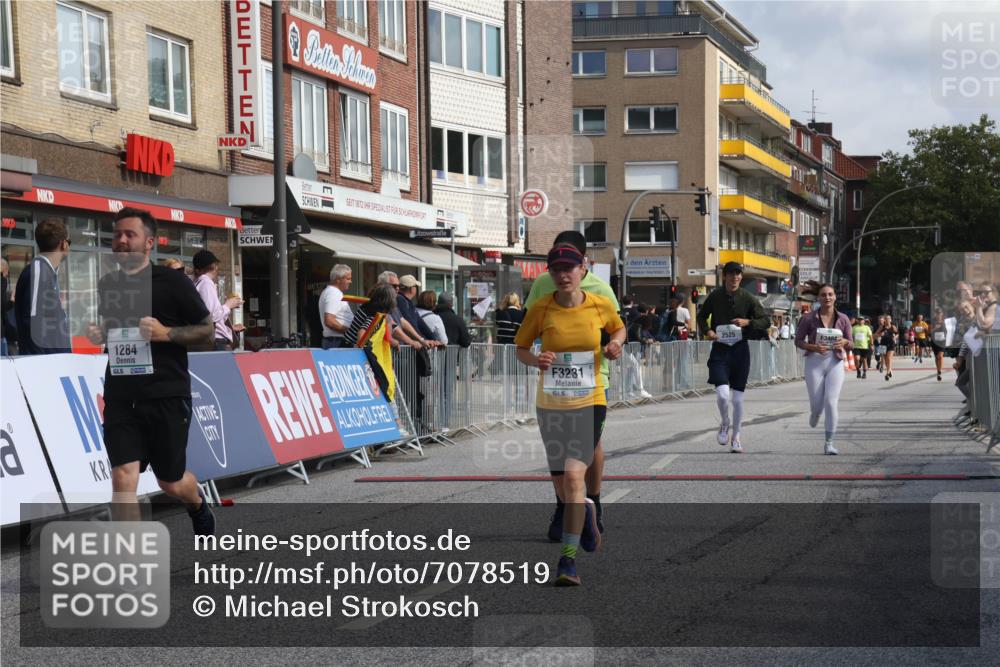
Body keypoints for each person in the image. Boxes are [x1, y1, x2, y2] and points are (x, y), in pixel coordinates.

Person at [86, 207, 216, 534]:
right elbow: (116, 330)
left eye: (130, 234)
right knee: (122, 477)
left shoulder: (172, 282)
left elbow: (207, 331)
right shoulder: (108, 284)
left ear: (149, 243)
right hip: (121, 395)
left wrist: (166, 333)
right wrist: (102, 333)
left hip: (166, 394)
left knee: (170, 482)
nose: (122, 241)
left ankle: (196, 502)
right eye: (117, 235)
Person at [514, 243, 626, 586]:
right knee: (564, 488)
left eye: (570, 268)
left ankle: (567, 562)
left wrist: (615, 344)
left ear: (582, 269)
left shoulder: (599, 303)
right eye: (557, 269)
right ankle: (586, 511)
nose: (564, 274)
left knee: (576, 478)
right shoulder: (541, 308)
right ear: (549, 273)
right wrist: (537, 359)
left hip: (589, 399)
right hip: (551, 403)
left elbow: (618, 327)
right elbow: (520, 348)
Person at [696, 261, 769, 453]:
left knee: (737, 400)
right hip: (720, 350)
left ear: (741, 277)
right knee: (722, 394)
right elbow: (701, 317)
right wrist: (708, 331)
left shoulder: (748, 297)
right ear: (725, 276)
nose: (735, 277)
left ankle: (736, 437)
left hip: (740, 351)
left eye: (738, 274)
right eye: (731, 273)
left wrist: (748, 322)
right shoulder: (715, 296)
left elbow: (765, 321)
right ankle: (725, 421)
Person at [795, 283, 853, 455]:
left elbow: (851, 343)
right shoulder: (808, 318)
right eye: (823, 295)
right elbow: (798, 341)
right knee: (817, 403)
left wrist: (844, 342)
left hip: (835, 362)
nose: (827, 297)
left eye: (830, 294)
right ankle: (815, 412)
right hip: (814, 362)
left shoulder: (843, 319)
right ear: (818, 298)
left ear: (835, 297)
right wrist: (813, 347)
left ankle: (829, 443)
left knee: (831, 402)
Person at [14, 218, 72, 355]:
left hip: (52, 362)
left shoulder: (44, 271)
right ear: (63, 244)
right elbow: (33, 322)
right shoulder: (39, 271)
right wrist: (42, 364)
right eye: (69, 242)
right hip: (46, 365)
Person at [343, 284, 399, 403]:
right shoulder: (375, 314)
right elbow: (362, 332)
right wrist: (364, 349)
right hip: (353, 349)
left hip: (347, 345)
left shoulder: (367, 307)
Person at [192, 250, 243, 351]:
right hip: (215, 340)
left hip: (207, 339)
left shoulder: (197, 283)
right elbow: (212, 316)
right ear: (214, 266)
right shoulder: (206, 282)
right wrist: (228, 305)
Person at [434, 292, 471, 430]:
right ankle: (444, 422)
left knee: (429, 389)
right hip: (449, 358)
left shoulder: (432, 316)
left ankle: (428, 421)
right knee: (447, 391)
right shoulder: (457, 320)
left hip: (430, 358)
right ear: (451, 304)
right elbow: (466, 341)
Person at [318, 264, 354, 349]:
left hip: (337, 341)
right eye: (348, 279)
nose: (350, 281)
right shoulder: (333, 293)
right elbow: (329, 320)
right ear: (338, 279)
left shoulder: (332, 292)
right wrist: (350, 332)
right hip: (337, 342)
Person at [874, 314, 898, 380]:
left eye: (888, 319)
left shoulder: (893, 327)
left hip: (891, 344)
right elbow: (875, 335)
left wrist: (895, 337)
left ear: (890, 320)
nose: (887, 320)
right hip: (883, 344)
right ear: (884, 320)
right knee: (884, 358)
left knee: (889, 358)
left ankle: (887, 373)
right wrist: (880, 334)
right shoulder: (882, 327)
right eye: (886, 319)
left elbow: (897, 333)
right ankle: (889, 370)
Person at [930, 308, 947, 381]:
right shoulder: (932, 322)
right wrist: (935, 328)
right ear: (935, 314)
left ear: (942, 314)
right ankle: (938, 370)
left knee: (940, 356)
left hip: (942, 341)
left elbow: (950, 330)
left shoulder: (945, 321)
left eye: (940, 313)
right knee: (936, 357)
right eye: (937, 314)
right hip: (934, 341)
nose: (938, 315)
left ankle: (940, 371)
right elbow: (928, 331)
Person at [1, 258, 13, 356]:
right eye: (7, 272)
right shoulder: (2, 281)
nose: (7, 275)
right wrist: (12, 301)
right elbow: (2, 307)